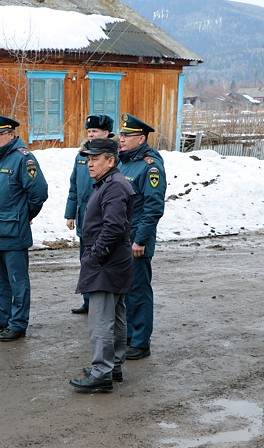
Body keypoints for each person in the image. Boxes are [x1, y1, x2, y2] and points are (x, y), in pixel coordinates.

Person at [68, 138, 134, 393]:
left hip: (106, 262)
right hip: (113, 260)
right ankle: (113, 365)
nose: (89, 163)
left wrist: (94, 255)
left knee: (100, 320)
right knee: (116, 315)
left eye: (95, 159)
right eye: (88, 159)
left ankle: (102, 373)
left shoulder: (114, 186)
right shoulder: (110, 182)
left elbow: (114, 226)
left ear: (111, 160)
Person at [0, 114, 48, 341]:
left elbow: (39, 193)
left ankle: (17, 324)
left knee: (17, 280)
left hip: (13, 231)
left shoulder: (23, 159)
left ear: (11, 134)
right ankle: (1, 317)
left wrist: (23, 215)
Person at [117, 113, 167, 360]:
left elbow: (153, 208)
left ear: (142, 138)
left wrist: (141, 240)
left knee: (138, 291)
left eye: (127, 135)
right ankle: (129, 336)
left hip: (136, 239)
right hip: (121, 237)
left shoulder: (150, 166)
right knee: (125, 291)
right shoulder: (124, 162)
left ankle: (140, 342)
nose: (122, 139)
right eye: (121, 134)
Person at [65, 114, 115, 315]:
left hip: (103, 219)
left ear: (106, 133)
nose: (91, 135)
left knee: (104, 262)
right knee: (86, 261)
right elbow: (74, 187)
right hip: (84, 218)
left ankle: (104, 304)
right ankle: (88, 301)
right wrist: (70, 213)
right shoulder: (82, 156)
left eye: (95, 131)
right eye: (89, 132)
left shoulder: (112, 155)